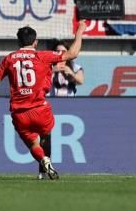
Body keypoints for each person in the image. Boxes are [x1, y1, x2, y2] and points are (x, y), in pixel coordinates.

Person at [0, 21, 87, 180]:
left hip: (19, 113)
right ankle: (45, 170)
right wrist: (79, 31)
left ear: (18, 42)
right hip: (39, 108)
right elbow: (72, 54)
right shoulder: (42, 56)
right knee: (46, 137)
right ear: (35, 42)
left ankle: (43, 161)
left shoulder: (9, 59)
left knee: (33, 145)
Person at [36, 40, 84, 179]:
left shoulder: (74, 66)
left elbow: (81, 81)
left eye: (63, 52)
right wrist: (52, 70)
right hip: (50, 104)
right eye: (58, 52)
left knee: (57, 138)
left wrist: (70, 73)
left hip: (70, 105)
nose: (61, 56)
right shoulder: (48, 66)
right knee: (45, 137)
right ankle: (43, 170)